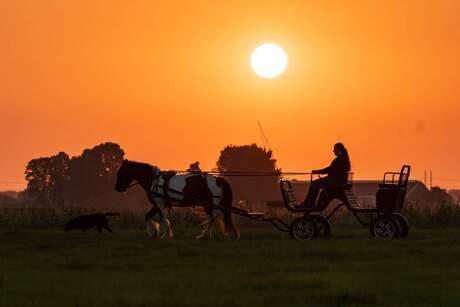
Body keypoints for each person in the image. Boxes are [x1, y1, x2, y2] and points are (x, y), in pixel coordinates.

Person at [300, 143, 351, 207]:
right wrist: (319, 172)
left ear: (338, 149)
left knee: (314, 184)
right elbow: (331, 169)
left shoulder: (340, 160)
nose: (333, 151)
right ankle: (309, 203)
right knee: (315, 183)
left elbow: (329, 169)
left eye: (334, 149)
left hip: (334, 181)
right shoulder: (344, 158)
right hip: (336, 180)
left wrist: (318, 171)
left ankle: (308, 203)